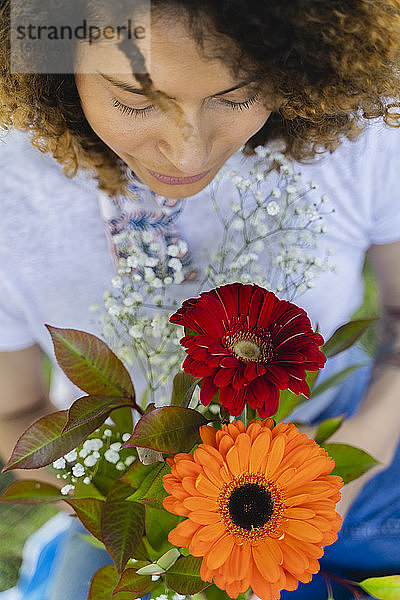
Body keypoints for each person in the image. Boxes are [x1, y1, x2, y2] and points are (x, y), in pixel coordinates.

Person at [1, 1, 400, 598]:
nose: (188, 153)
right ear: (52, 61)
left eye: (237, 95)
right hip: (146, 507)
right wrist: (138, 492)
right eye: (135, 102)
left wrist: (360, 450)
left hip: (355, 437)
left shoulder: (363, 133)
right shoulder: (10, 196)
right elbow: (12, 412)